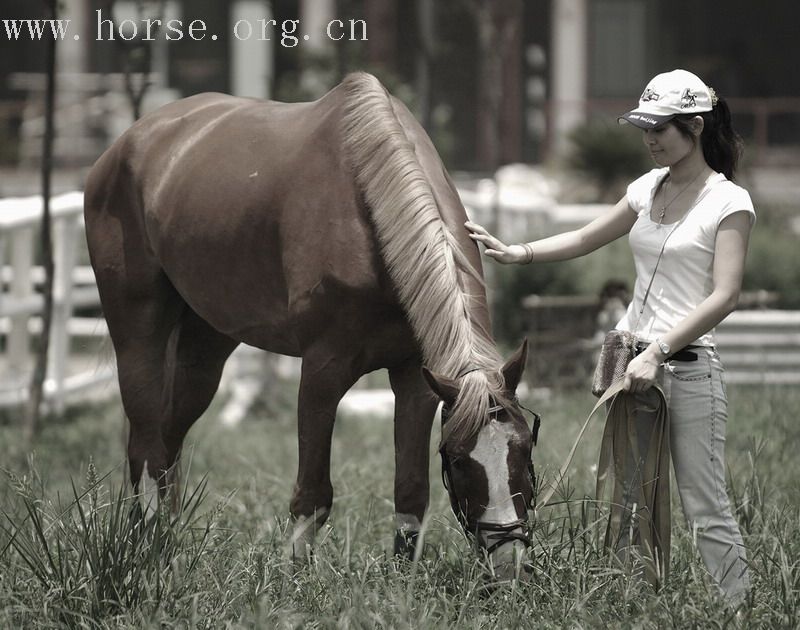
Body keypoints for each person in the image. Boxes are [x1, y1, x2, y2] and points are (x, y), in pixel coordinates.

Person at [465, 69, 753, 607]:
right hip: (632, 367)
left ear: (693, 125)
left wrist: (659, 351)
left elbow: (725, 296)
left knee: (703, 503)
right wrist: (517, 252)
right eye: (642, 126)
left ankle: (740, 609)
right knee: (628, 500)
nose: (648, 138)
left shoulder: (728, 201)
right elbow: (582, 237)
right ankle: (636, 606)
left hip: (686, 370)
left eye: (659, 128)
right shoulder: (647, 188)